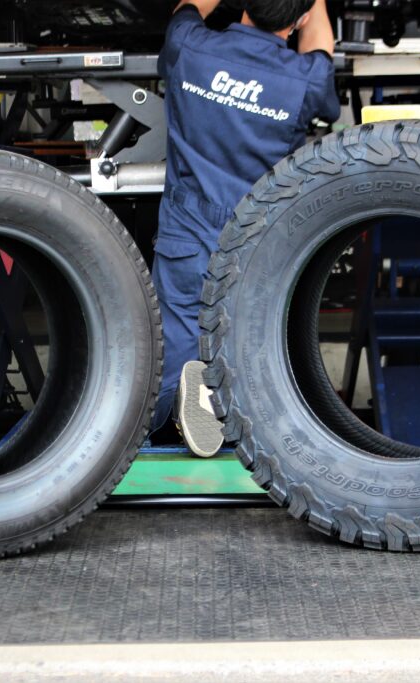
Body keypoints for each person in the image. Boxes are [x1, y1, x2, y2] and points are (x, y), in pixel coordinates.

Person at [151, 0, 340, 456]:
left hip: (187, 227)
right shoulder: (304, 78)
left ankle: (170, 411)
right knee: (251, 336)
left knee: (175, 344)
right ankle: (232, 411)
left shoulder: (189, 46)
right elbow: (321, 50)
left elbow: (188, 6)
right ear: (298, 19)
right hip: (256, 231)